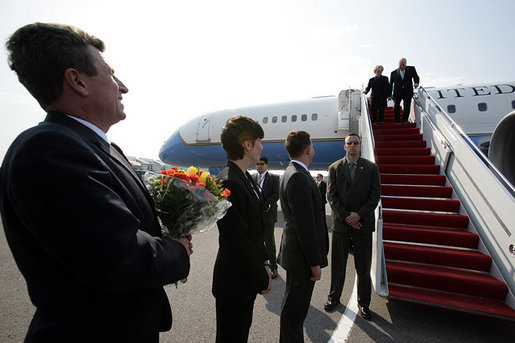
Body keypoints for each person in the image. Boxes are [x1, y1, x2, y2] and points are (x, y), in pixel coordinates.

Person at [0, 23, 192, 342]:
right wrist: (178, 250)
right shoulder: (48, 150)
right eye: (110, 73)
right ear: (77, 81)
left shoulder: (93, 147)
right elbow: (122, 258)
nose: (123, 86)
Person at [213, 115, 272, 343]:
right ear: (247, 144)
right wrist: (261, 277)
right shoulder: (229, 181)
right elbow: (236, 239)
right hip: (234, 281)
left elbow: (254, 230)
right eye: (259, 141)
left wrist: (265, 260)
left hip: (243, 277)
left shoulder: (244, 177)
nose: (262, 146)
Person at [278, 131, 329, 342]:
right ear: (308, 149)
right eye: (313, 146)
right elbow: (304, 225)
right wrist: (314, 263)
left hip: (296, 257)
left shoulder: (291, 172)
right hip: (302, 260)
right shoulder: (299, 176)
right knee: (294, 316)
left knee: (293, 312)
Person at [323, 133, 380, 320]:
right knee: (338, 266)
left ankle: (364, 304)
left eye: (356, 143)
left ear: (360, 146)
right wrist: (347, 217)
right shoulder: (334, 168)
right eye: (349, 143)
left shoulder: (371, 168)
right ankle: (334, 298)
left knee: (363, 268)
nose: (353, 146)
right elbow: (331, 196)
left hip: (362, 225)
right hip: (341, 225)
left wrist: (359, 215)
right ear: (344, 146)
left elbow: (374, 196)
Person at [253, 156, 280, 279]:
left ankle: (273, 266)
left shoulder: (274, 178)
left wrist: (265, 203)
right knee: (257, 242)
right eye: (257, 164)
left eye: (261, 164)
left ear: (267, 165)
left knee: (269, 242)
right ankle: (261, 265)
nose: (259, 166)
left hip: (268, 215)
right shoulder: (252, 177)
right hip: (255, 216)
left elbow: (276, 195)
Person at [389, 58, 420, 123]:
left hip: (407, 91)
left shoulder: (411, 69)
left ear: (406, 64)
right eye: (400, 65)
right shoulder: (393, 73)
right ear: (398, 65)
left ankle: (404, 120)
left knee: (407, 106)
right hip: (397, 92)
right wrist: (389, 94)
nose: (402, 67)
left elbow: (416, 77)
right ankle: (397, 120)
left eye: (403, 65)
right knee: (396, 106)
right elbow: (390, 85)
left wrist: (416, 82)